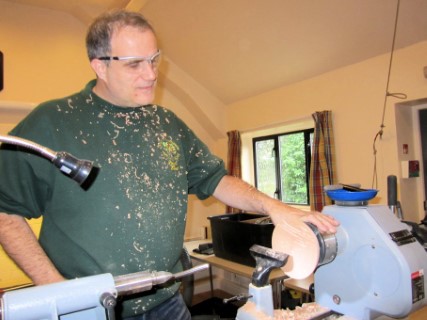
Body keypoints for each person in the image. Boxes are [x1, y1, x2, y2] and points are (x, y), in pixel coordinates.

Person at [0, 10, 338, 320]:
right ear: (100, 66)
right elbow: (4, 211)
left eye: (154, 59)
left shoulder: (167, 124)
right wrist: (57, 288)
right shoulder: (53, 122)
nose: (151, 74)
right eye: (134, 64)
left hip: (168, 303)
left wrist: (275, 208)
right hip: (89, 308)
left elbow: (216, 178)